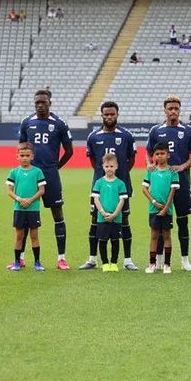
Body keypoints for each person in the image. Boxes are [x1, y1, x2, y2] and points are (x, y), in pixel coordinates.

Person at [17, 89, 73, 271]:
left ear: (50, 103)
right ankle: (21, 259)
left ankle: (61, 258)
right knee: (26, 216)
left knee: (58, 215)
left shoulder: (59, 123)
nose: (40, 105)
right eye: (37, 103)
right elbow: (22, 148)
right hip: (30, 176)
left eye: (43, 102)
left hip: (50, 175)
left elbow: (69, 150)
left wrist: (56, 167)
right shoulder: (27, 122)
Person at [79, 101, 138, 271]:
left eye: (112, 114)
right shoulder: (93, 137)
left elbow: (131, 160)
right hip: (100, 187)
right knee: (95, 220)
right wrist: (104, 177)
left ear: (117, 114)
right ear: (102, 115)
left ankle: (127, 260)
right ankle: (92, 259)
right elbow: (93, 161)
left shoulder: (126, 136)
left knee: (124, 220)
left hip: (122, 186)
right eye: (106, 114)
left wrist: (121, 175)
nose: (109, 117)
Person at [146, 95, 191, 272]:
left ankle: (185, 260)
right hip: (161, 183)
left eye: (176, 108)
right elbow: (148, 152)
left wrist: (182, 166)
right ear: (165, 110)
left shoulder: (189, 131)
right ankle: (160, 260)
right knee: (161, 220)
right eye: (170, 108)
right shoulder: (156, 130)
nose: (173, 111)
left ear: (180, 110)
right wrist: (150, 164)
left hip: (182, 182)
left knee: (183, 221)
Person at [6, 143, 47, 272]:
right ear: (17, 156)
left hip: (33, 209)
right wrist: (20, 199)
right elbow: (9, 191)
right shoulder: (14, 172)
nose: (24, 158)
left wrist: (30, 200)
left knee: (34, 235)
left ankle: (37, 262)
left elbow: (41, 190)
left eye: (27, 155)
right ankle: (17, 262)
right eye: (22, 155)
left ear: (32, 156)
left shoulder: (37, 171)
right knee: (19, 235)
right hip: (19, 209)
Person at [142, 142, 179, 274]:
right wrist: (153, 201)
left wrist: (165, 208)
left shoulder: (172, 172)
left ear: (168, 155)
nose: (159, 156)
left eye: (162, 153)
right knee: (154, 236)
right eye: (157, 154)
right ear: (154, 156)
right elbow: (144, 189)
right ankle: (152, 263)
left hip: (167, 210)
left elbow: (172, 192)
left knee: (167, 236)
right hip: (153, 210)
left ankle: (167, 264)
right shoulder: (151, 171)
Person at [91, 154, 128, 272]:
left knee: (115, 241)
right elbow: (96, 199)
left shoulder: (120, 183)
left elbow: (122, 200)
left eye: (111, 166)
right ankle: (105, 263)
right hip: (102, 218)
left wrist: (115, 214)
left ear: (116, 166)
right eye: (107, 166)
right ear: (103, 167)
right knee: (102, 240)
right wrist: (102, 212)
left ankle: (114, 262)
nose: (109, 168)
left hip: (116, 218)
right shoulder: (99, 182)